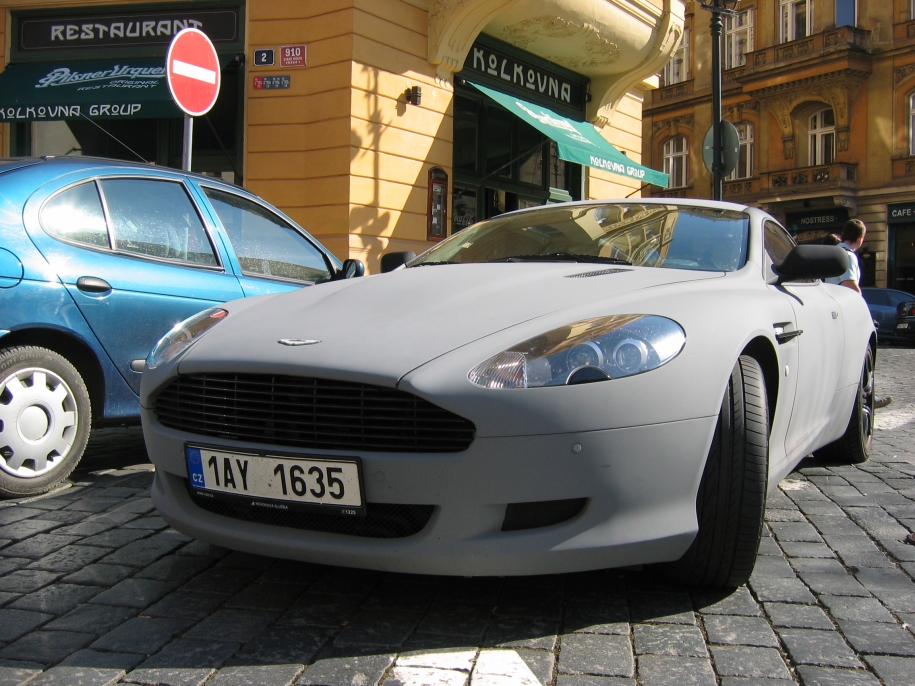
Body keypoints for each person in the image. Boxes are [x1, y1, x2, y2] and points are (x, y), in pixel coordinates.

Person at [826, 219, 893, 408]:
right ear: (860, 238)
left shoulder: (831, 253)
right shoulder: (848, 255)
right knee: (862, 355)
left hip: (828, 313)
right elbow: (851, 286)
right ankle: (867, 397)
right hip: (844, 314)